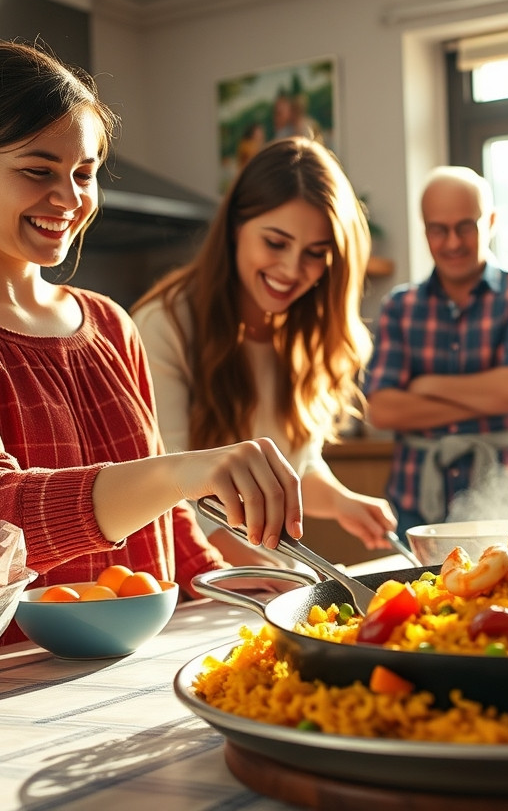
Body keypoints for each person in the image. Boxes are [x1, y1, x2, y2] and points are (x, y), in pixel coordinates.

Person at [0, 41, 303, 642]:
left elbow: (166, 524)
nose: (70, 199)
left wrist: (223, 578)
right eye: (38, 171)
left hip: (143, 656)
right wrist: (182, 471)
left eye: (84, 174)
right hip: (18, 669)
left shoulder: (110, 323)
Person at [132, 136, 394, 559]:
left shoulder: (302, 331)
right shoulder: (165, 326)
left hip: (263, 572)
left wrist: (342, 501)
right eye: (275, 243)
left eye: (315, 253)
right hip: (190, 573)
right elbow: (168, 489)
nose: (291, 270)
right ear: (236, 227)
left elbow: (296, 467)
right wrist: (266, 570)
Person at [364, 166, 508, 545]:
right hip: (415, 498)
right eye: (439, 229)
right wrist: (488, 396)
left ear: (492, 221)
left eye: (465, 227)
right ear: (425, 230)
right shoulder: (399, 306)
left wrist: (427, 386)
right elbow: (383, 410)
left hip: (504, 496)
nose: (452, 242)